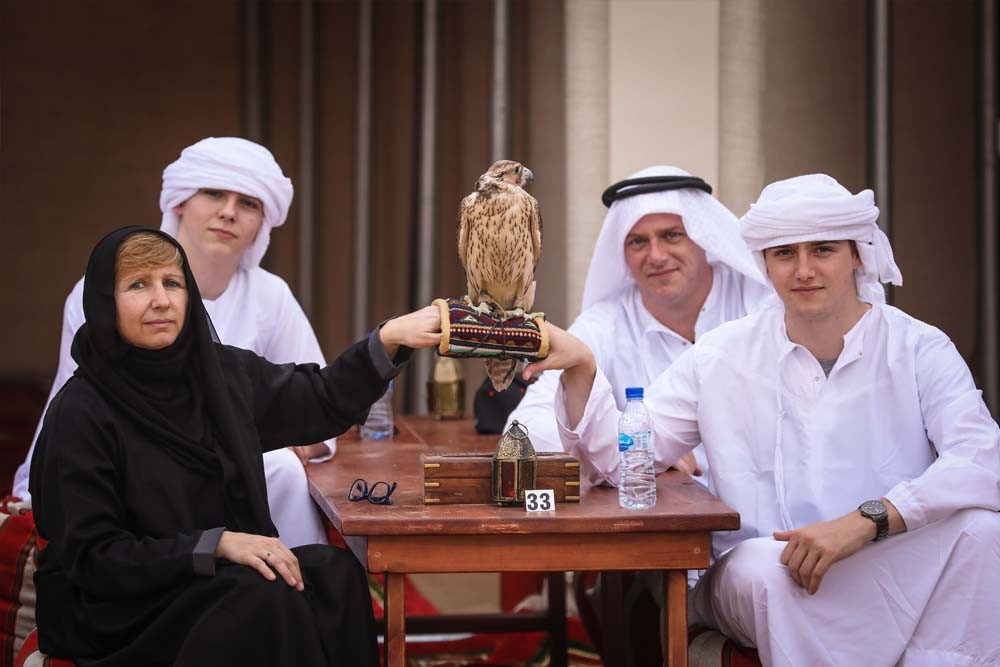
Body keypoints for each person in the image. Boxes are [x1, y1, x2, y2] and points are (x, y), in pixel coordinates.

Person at [529, 174, 1000, 666]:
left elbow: (980, 459)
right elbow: (619, 459)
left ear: (857, 255)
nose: (803, 270)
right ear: (765, 263)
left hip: (883, 552)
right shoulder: (720, 354)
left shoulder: (919, 347)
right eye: (784, 253)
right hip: (768, 566)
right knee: (764, 569)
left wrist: (866, 522)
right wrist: (582, 368)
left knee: (983, 532)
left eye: (822, 250)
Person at [29, 227, 442, 666]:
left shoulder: (220, 376)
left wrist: (387, 341)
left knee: (333, 576)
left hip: (208, 578)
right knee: (264, 598)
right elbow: (95, 558)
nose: (161, 300)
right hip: (119, 608)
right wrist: (214, 545)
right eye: (138, 285)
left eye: (172, 282)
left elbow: (320, 399)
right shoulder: (81, 412)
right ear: (105, 301)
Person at [14, 137, 332, 547]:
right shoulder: (101, 290)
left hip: (232, 476)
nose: (229, 212)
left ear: (262, 222)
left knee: (282, 470)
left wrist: (285, 441)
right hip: (126, 465)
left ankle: (291, 581)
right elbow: (82, 409)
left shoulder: (270, 295)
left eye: (248, 203)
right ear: (180, 202)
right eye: (214, 193)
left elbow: (317, 402)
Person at [507, 165, 770, 484]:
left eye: (672, 235)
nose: (656, 255)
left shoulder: (758, 302)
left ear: (703, 237)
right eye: (637, 242)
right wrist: (643, 448)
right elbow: (526, 430)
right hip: (662, 508)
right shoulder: (605, 323)